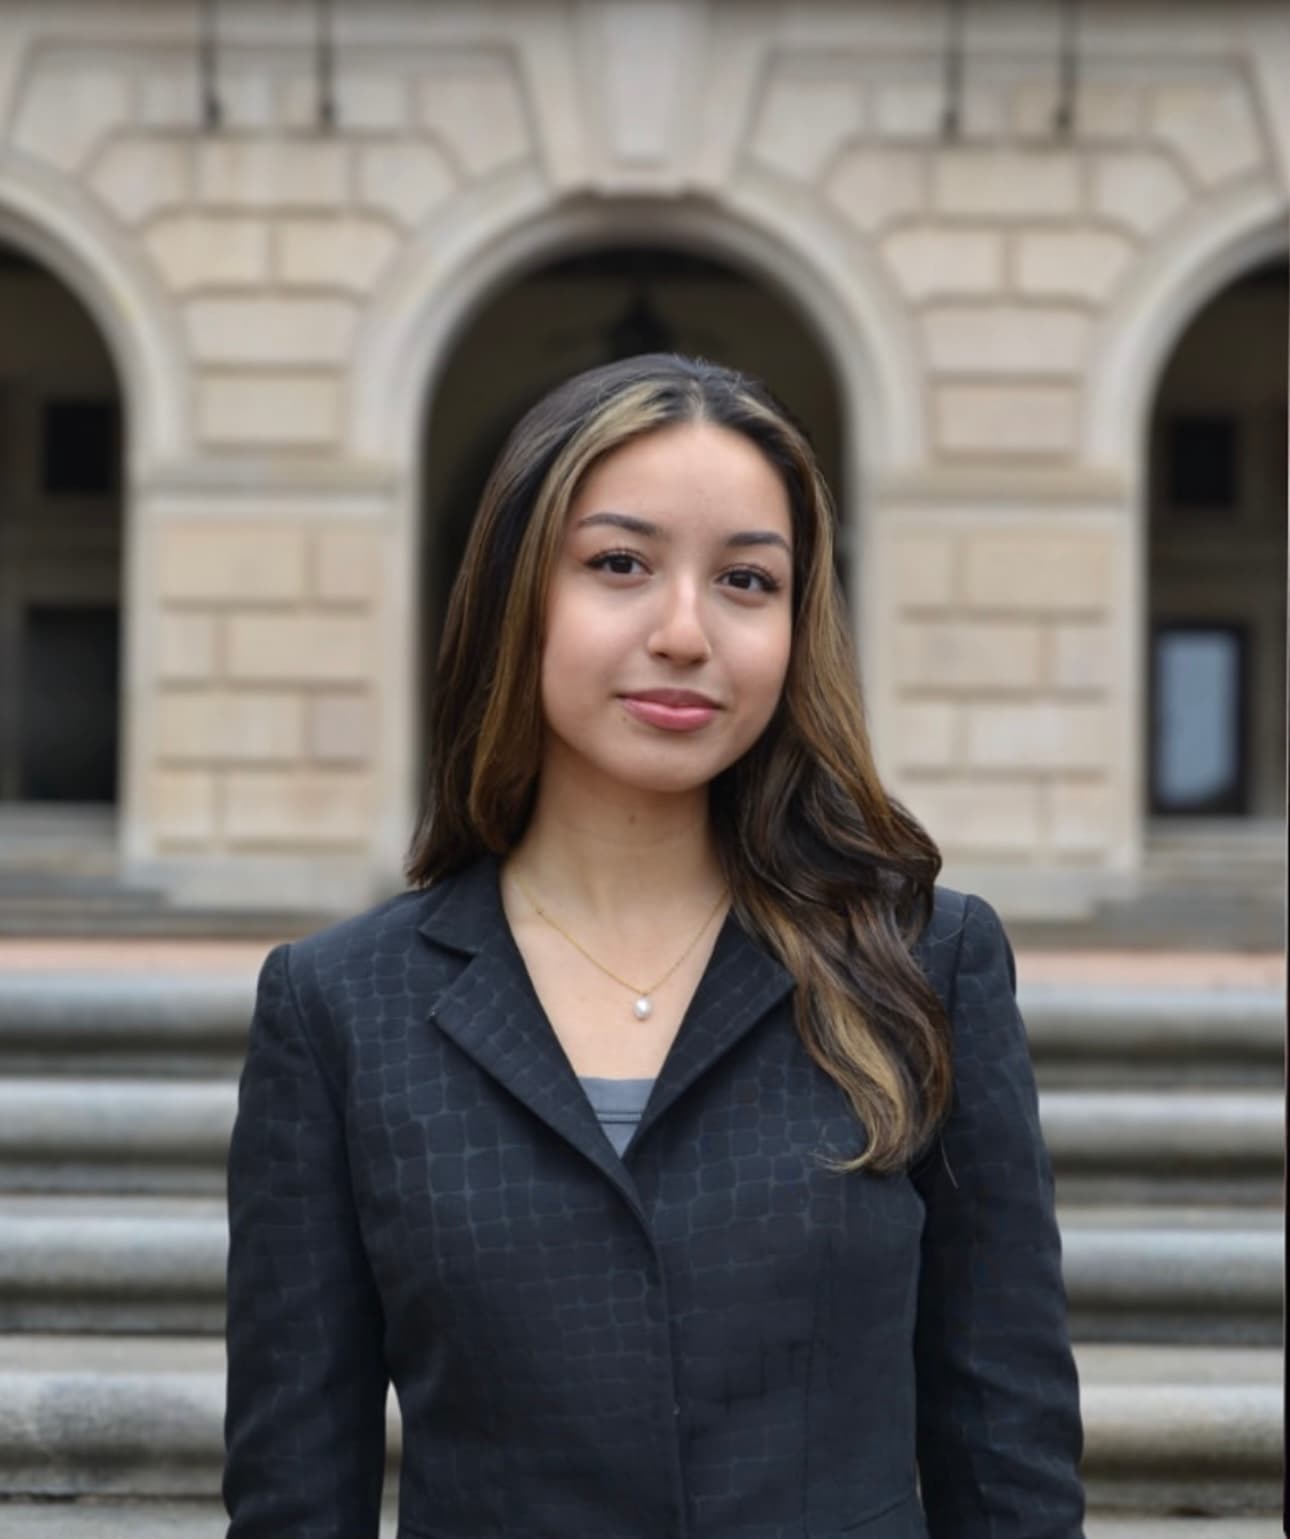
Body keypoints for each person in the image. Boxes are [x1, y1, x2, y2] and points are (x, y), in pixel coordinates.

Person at [222, 353, 1085, 1539]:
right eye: (619, 565)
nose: (686, 632)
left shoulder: (924, 962)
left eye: (746, 579)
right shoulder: (337, 1006)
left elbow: (1009, 1456)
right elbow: (294, 1496)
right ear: (517, 591)